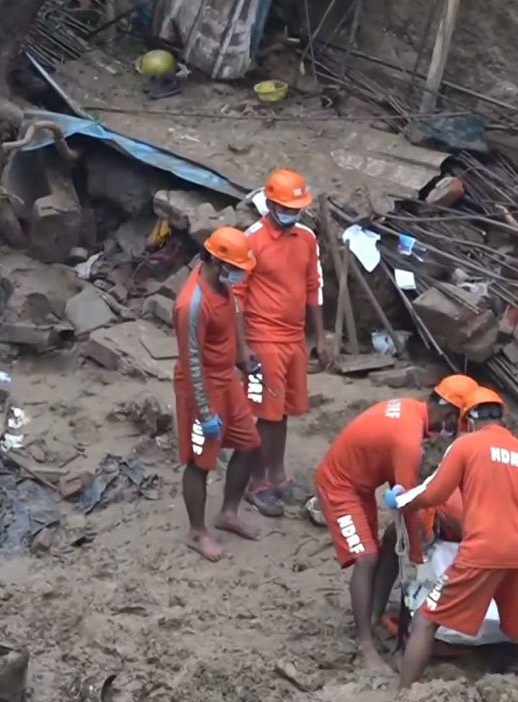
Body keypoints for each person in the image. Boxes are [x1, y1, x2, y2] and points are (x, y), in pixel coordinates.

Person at [388, 387, 518, 688]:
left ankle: (404, 693)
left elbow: (434, 491)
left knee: (426, 618)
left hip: (483, 549)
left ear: (469, 420)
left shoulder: (467, 446)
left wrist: (401, 500)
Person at [313, 374, 478, 671]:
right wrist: (418, 559)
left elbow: (400, 488)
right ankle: (365, 644)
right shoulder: (408, 439)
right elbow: (407, 506)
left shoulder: (411, 412)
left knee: (388, 541)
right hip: (340, 486)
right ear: (450, 413)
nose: (452, 431)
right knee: (366, 559)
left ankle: (373, 616)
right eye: (456, 423)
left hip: (361, 483)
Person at [234, 168, 327, 508]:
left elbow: (312, 286)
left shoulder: (306, 239)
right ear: (270, 204)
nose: (291, 214)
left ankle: (278, 474)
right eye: (286, 207)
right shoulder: (252, 240)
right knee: (265, 412)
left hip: (293, 339)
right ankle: (256, 482)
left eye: (296, 208)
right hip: (262, 339)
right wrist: (242, 347)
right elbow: (236, 296)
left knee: (283, 411)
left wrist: (320, 337)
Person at [171, 227, 266, 562]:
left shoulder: (225, 286)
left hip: (225, 378)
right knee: (200, 461)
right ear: (215, 261)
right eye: (235, 267)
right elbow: (191, 360)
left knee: (250, 444)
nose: (239, 275)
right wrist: (204, 412)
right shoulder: (191, 305)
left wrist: (243, 355)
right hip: (201, 386)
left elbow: (234, 318)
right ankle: (197, 532)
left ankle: (228, 511)